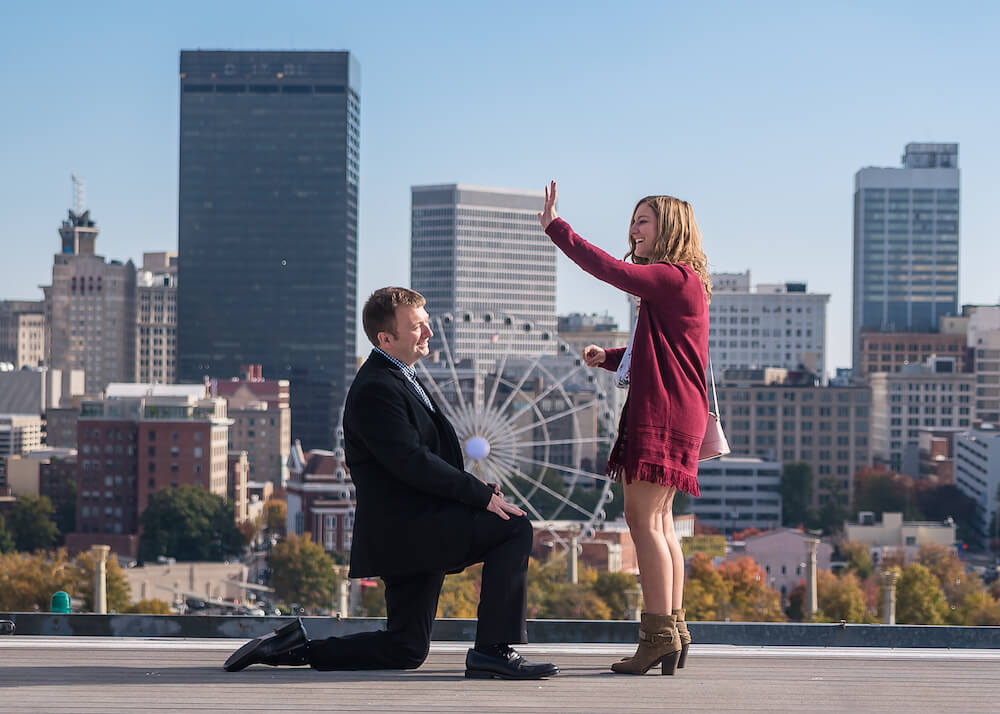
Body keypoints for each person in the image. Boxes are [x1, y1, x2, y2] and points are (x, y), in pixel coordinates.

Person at [224, 287, 558, 680]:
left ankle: (294, 647)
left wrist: (476, 492)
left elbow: (425, 456)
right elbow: (411, 462)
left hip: (413, 529)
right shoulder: (377, 389)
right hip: (411, 531)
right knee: (513, 528)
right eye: (418, 327)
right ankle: (493, 649)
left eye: (428, 323)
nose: (429, 333)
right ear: (386, 339)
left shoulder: (399, 378)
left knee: (405, 648)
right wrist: (478, 497)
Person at [538, 181, 710, 676]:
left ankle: (657, 635)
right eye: (633, 220)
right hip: (678, 406)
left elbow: (609, 269)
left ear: (669, 231)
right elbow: (668, 351)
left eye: (644, 221)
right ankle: (673, 630)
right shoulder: (685, 283)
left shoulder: (671, 278)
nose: (633, 229)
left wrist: (557, 229)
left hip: (663, 410)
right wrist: (610, 358)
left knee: (641, 521)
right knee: (659, 524)